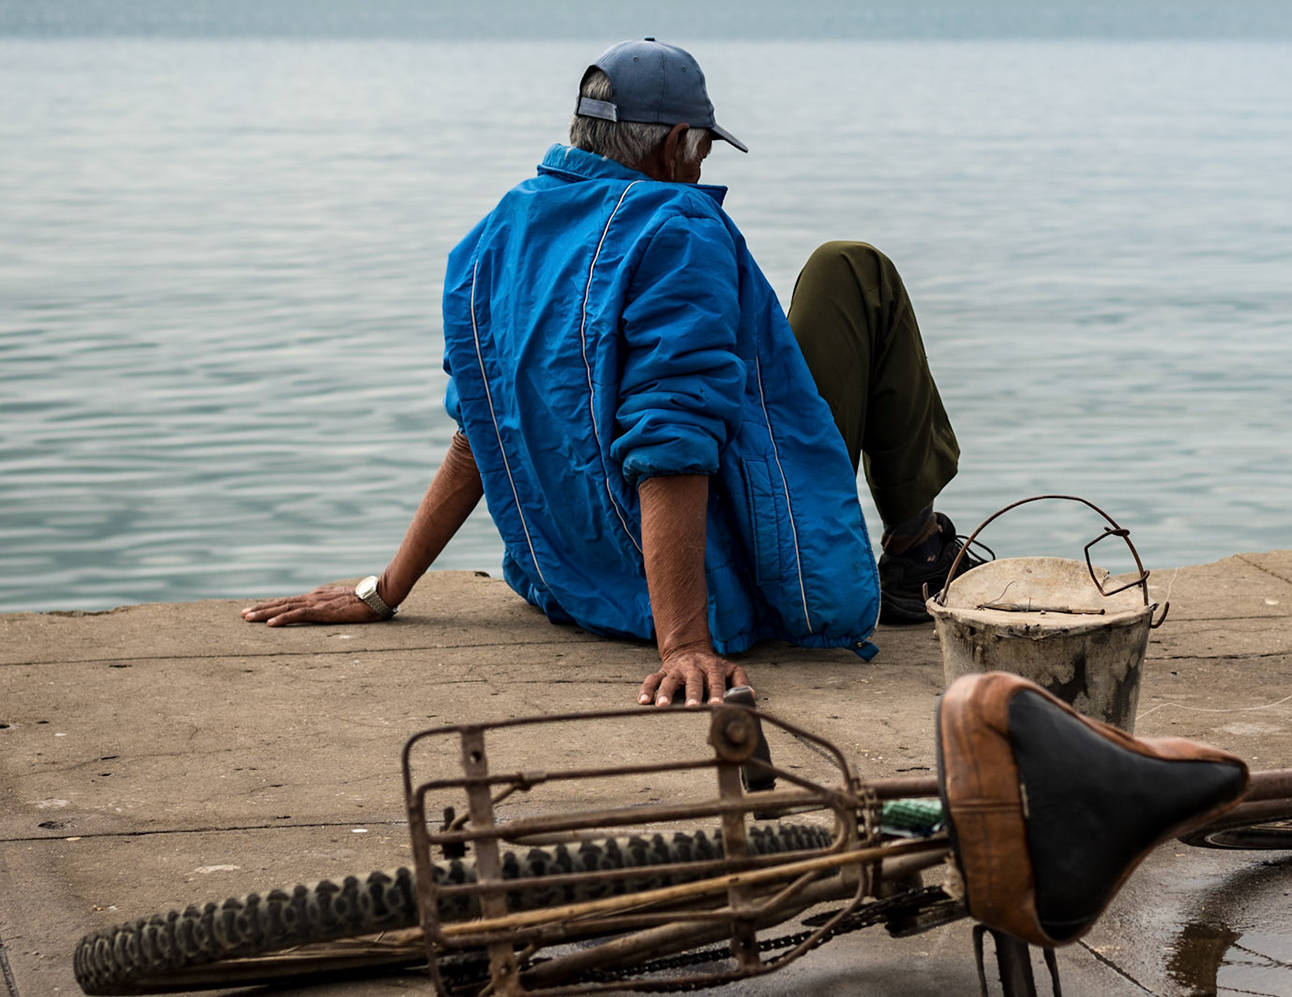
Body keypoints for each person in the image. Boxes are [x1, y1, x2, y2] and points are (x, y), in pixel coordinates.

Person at [242, 39, 980, 703]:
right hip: (725, 594)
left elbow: (482, 429)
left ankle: (907, 548)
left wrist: (384, 590)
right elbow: (672, 444)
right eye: (701, 151)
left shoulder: (500, 231)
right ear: (676, 148)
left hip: (577, 588)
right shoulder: (679, 226)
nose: (699, 169)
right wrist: (686, 645)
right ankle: (916, 550)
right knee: (850, 272)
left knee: (724, 357)